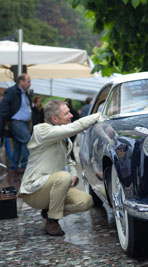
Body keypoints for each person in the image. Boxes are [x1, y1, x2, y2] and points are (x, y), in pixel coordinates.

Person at [19, 100, 100, 236]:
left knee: (86, 202)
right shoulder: (41, 130)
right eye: (66, 113)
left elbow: (70, 161)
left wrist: (74, 174)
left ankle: (50, 212)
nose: (71, 115)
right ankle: (52, 221)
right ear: (54, 119)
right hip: (34, 191)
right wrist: (99, 115)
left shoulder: (64, 138)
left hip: (54, 187)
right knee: (63, 176)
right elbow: (75, 127)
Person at [0, 74, 33, 174]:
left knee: (18, 145)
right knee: (28, 142)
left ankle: (14, 167)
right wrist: (6, 119)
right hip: (16, 122)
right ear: (21, 82)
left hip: (23, 123)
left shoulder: (25, 93)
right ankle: (24, 166)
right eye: (28, 81)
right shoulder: (12, 91)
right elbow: (4, 106)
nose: (30, 84)